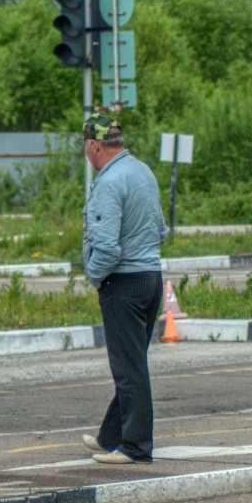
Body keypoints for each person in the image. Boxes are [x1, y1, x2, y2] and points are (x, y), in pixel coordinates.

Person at [80, 113, 168, 465]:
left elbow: (107, 247)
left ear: (94, 145)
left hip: (123, 283)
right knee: (132, 361)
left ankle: (135, 447)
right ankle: (110, 437)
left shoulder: (109, 182)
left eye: (87, 147)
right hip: (151, 278)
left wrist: (95, 276)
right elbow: (161, 230)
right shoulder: (142, 171)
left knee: (128, 369)